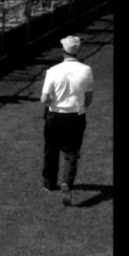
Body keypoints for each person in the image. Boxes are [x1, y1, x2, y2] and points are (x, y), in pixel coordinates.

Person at [40, 35, 94, 206]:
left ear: (63, 50)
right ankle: (67, 183)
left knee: (51, 150)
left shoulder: (53, 71)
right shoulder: (86, 70)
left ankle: (49, 183)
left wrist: (51, 102)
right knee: (71, 153)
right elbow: (89, 97)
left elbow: (44, 99)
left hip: (55, 116)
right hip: (76, 116)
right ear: (77, 51)